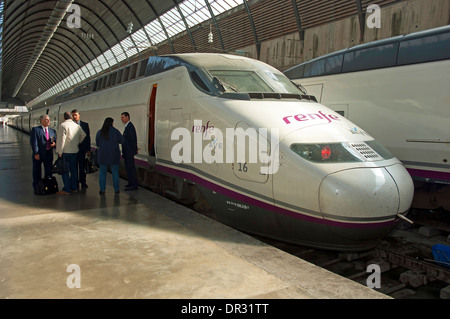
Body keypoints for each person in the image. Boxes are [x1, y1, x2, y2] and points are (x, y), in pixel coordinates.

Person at [56, 111, 86, 195]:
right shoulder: (77, 126)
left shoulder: (63, 125)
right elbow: (83, 135)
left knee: (64, 170)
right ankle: (74, 187)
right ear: (71, 117)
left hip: (65, 152)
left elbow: (62, 139)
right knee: (73, 170)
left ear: (64, 117)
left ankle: (66, 189)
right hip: (75, 151)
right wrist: (78, 142)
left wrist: (60, 152)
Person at [96, 117, 124, 194]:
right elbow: (122, 140)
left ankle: (102, 190)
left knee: (102, 173)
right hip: (113, 156)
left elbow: (97, 143)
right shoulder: (115, 131)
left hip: (103, 156)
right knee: (115, 173)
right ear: (112, 123)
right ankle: (116, 190)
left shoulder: (100, 132)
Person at [30, 115, 56, 195]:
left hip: (48, 154)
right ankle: (37, 188)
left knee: (48, 171)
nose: (48, 121)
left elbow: (54, 141)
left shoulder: (52, 131)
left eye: (48, 120)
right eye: (46, 120)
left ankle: (48, 186)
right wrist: (36, 153)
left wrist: (54, 144)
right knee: (37, 172)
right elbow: (34, 143)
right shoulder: (36, 130)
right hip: (39, 154)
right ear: (41, 121)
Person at [71, 109, 91, 189]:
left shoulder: (85, 125)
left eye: (75, 115)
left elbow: (87, 137)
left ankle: (83, 181)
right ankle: (75, 182)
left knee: (82, 166)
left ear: (79, 115)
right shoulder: (71, 125)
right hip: (73, 149)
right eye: (73, 115)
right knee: (74, 167)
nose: (74, 117)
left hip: (82, 149)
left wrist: (88, 149)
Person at [121, 112, 138, 190]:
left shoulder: (130, 127)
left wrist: (132, 150)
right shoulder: (128, 126)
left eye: (123, 117)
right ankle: (130, 183)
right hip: (128, 152)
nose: (122, 119)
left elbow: (132, 140)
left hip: (129, 152)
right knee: (129, 168)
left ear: (127, 117)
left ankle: (133, 184)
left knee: (131, 168)